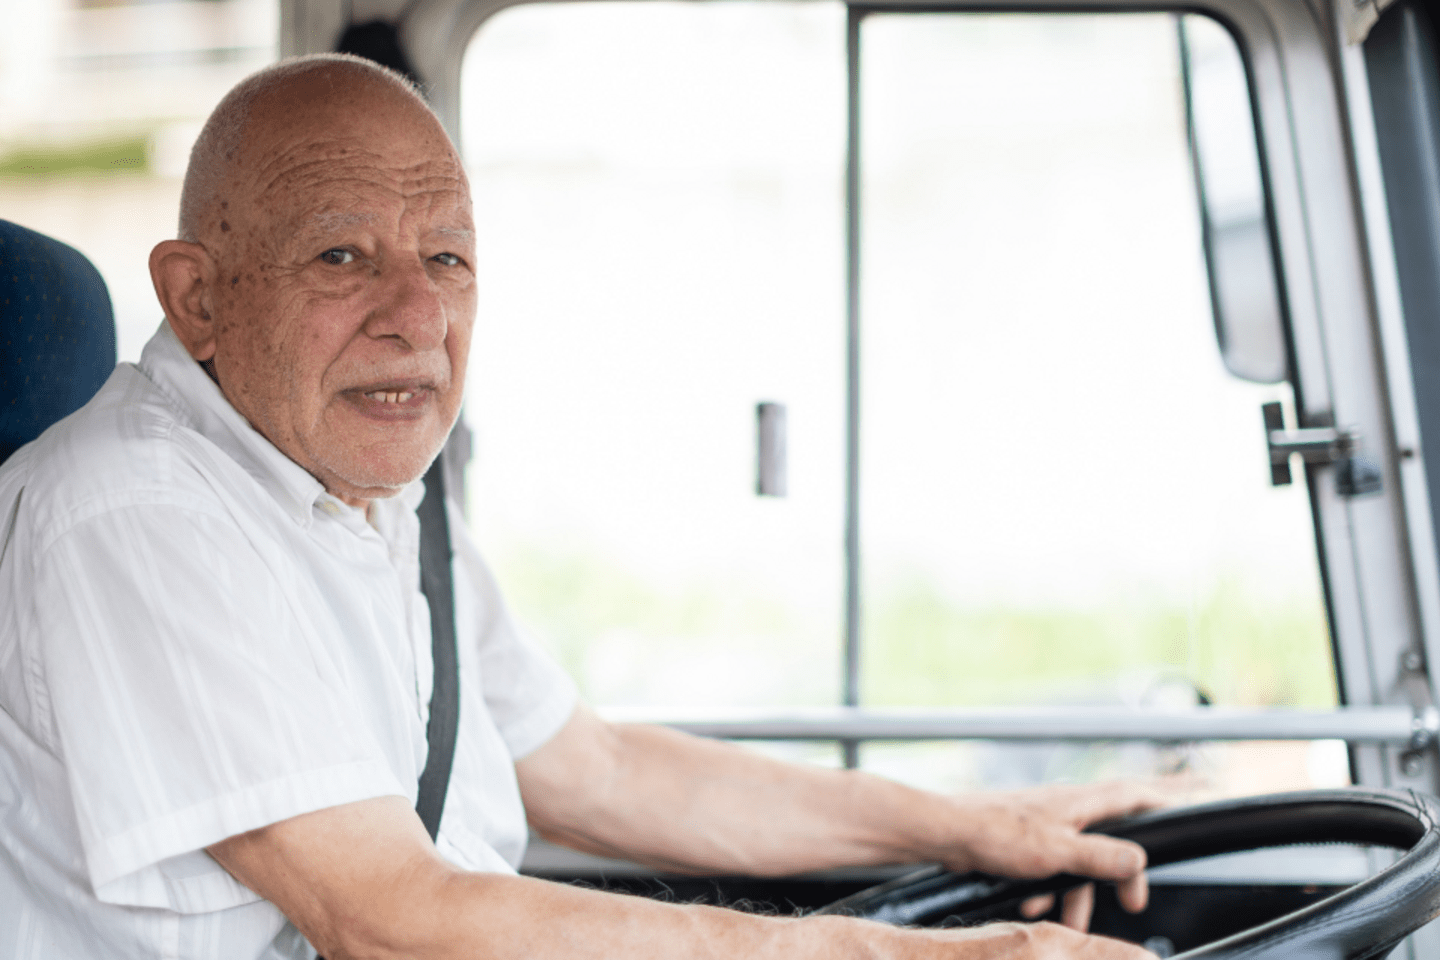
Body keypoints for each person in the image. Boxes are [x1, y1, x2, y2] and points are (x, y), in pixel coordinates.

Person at [0, 53, 1162, 959]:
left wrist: (976, 826)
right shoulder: (132, 515)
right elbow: (392, 922)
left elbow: (597, 771)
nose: (418, 314)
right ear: (197, 299)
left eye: (448, 259)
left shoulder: (364, 497)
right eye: (344, 258)